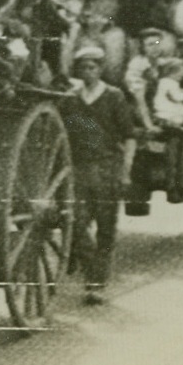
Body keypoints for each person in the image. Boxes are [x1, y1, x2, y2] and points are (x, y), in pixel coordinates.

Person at [62, 46, 137, 305]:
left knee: (106, 228)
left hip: (107, 168)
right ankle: (90, 269)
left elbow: (129, 136)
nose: (88, 72)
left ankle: (96, 283)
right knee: (77, 222)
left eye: (92, 67)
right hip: (80, 169)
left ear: (101, 69)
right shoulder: (71, 98)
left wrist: (125, 171)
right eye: (83, 67)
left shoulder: (114, 97)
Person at [153, 57, 183, 203]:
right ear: (171, 72)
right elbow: (177, 97)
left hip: (172, 120)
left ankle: (181, 187)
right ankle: (174, 188)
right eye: (179, 75)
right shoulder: (167, 83)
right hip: (167, 121)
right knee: (175, 150)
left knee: (182, 145)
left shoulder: (169, 82)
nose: (180, 77)